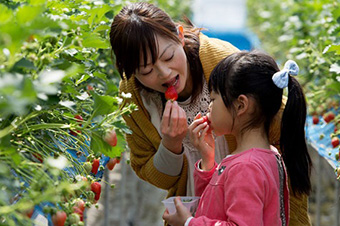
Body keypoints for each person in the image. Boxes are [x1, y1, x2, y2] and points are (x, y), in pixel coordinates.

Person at [109, 2, 311, 225]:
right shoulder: (134, 98)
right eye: (146, 70)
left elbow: (278, 122)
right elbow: (170, 178)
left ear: (180, 36)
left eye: (168, 57)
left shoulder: (225, 65)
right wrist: (172, 145)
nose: (164, 73)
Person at [163, 50, 312, 225]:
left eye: (213, 99)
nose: (209, 107)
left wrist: (189, 222)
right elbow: (218, 205)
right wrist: (208, 160)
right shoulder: (266, 156)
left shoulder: (246, 167)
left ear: (241, 105)